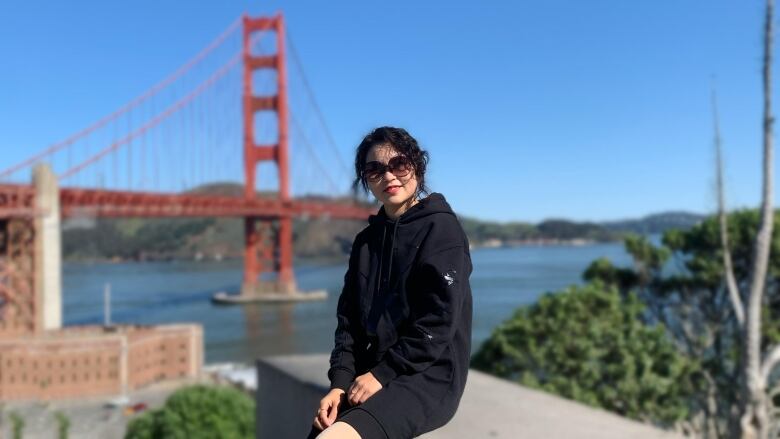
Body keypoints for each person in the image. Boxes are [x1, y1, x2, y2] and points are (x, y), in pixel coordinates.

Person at [307, 127, 473, 439]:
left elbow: (439, 323)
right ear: (366, 179)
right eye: (375, 169)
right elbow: (349, 323)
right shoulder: (366, 242)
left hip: (427, 373)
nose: (389, 176)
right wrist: (340, 384)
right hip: (371, 371)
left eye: (399, 164)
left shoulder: (441, 230)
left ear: (417, 167)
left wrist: (381, 374)